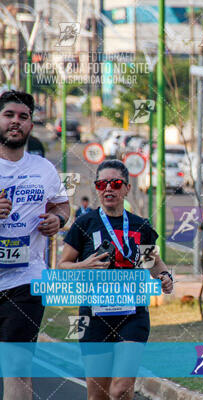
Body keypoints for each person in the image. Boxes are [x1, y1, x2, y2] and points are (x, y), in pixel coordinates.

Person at [58, 160, 173, 400]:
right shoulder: (84, 224)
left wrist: (164, 276)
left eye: (115, 183)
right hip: (94, 316)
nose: (108, 188)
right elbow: (63, 266)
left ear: (126, 188)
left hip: (132, 315)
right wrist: (84, 264)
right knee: (98, 394)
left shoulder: (140, 226)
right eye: (102, 183)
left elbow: (153, 262)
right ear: (97, 188)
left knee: (121, 389)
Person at [0, 90, 70, 400]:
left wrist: (58, 221)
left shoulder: (44, 169)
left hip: (26, 280)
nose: (16, 122)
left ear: (30, 124)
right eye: (9, 115)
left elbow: (62, 206)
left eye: (23, 117)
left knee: (17, 366)